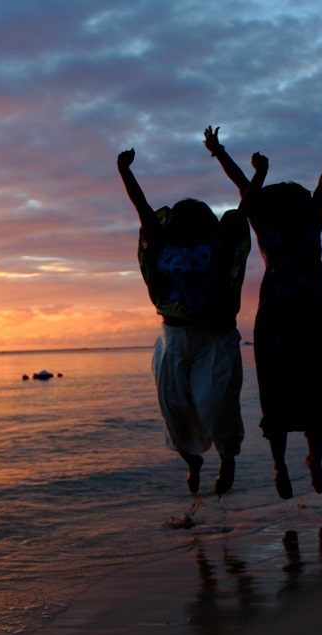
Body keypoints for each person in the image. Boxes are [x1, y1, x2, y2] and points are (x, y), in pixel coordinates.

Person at [208, 126, 322, 499]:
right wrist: (219, 152)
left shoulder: (309, 217)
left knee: (317, 390)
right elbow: (243, 185)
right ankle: (280, 465)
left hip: (311, 315)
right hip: (280, 316)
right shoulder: (265, 220)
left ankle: (312, 460)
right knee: (276, 394)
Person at [117, 140, 251, 497]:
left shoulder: (219, 243)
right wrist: (125, 171)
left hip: (215, 338)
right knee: (174, 410)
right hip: (174, 339)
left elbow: (247, 200)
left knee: (216, 404)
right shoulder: (162, 242)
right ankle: (193, 464)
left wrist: (233, 160)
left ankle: (227, 459)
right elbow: (141, 206)